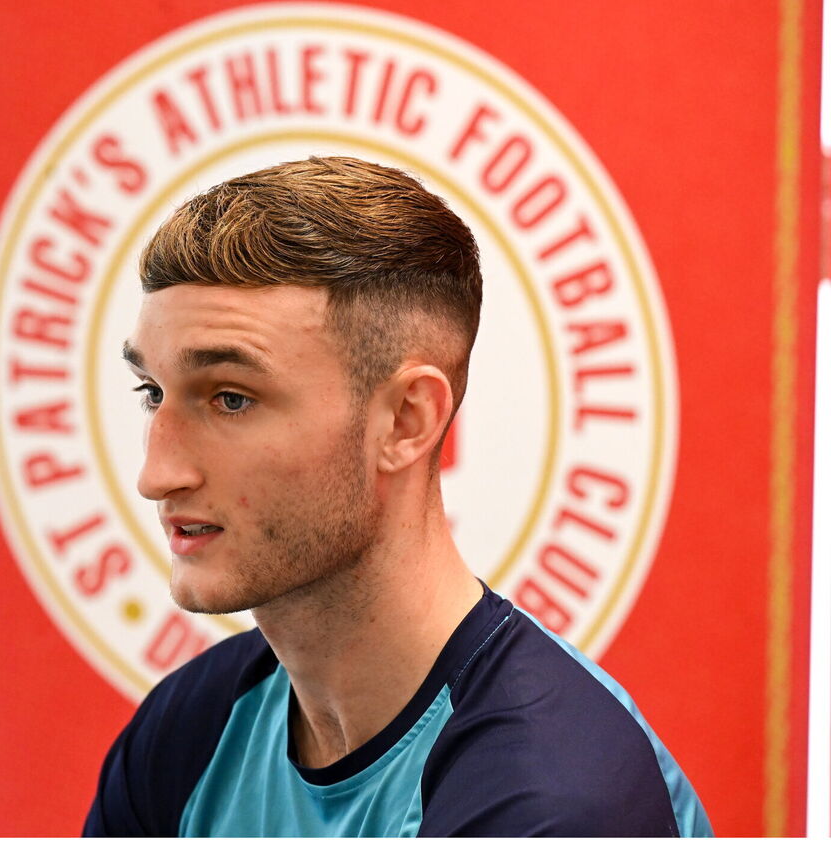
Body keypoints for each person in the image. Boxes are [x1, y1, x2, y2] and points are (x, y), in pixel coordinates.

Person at [82, 156, 712, 837]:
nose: (156, 473)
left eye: (232, 398)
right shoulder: (191, 730)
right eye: (153, 392)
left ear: (407, 421)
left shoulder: (551, 800)